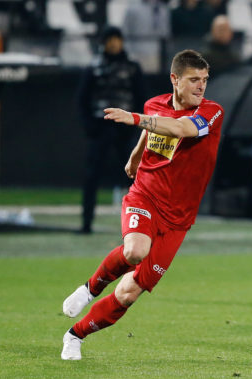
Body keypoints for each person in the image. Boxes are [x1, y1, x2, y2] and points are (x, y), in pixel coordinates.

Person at [60, 50, 224, 360]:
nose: (201, 86)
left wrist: (134, 119)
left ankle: (75, 335)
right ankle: (89, 289)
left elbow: (179, 128)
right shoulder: (154, 104)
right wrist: (136, 156)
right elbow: (155, 129)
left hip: (179, 219)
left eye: (204, 79)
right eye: (193, 80)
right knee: (135, 250)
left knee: (127, 293)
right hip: (145, 195)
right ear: (175, 79)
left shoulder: (212, 111)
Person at [77, 26, 145, 234]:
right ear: (104, 43)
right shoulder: (93, 68)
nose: (114, 43)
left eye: (117, 39)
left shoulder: (133, 68)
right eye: (110, 40)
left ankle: (140, 224)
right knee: (91, 175)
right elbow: (82, 100)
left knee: (135, 177)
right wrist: (90, 126)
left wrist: (134, 126)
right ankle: (86, 222)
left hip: (125, 130)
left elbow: (141, 98)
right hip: (101, 128)